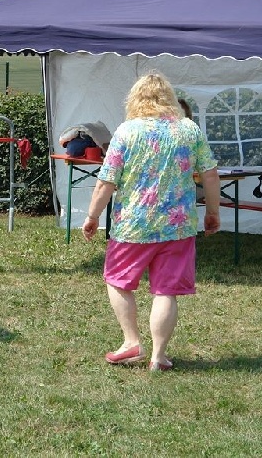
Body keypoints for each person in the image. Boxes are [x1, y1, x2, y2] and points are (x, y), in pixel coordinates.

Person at [82, 71, 220, 370]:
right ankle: (158, 356)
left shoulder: (126, 131)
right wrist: (213, 212)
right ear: (169, 98)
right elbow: (209, 175)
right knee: (166, 291)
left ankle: (131, 342)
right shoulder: (189, 129)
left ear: (135, 99)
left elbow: (106, 181)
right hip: (178, 227)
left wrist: (92, 216)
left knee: (117, 281)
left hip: (133, 226)